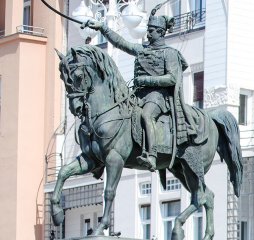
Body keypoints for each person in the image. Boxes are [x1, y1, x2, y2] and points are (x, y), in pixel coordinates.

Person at [85, 2, 205, 171]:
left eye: (151, 31)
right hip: (139, 95)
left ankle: (152, 155)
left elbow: (171, 78)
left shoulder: (169, 53)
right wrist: (102, 28)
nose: (147, 34)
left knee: (147, 115)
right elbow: (121, 43)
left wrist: (146, 80)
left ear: (161, 32)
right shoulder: (142, 50)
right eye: (148, 30)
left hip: (158, 97)